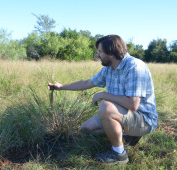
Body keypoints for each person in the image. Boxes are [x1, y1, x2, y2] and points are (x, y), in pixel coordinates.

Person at [48, 35, 158, 164]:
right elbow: (88, 83)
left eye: (100, 52)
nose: (98, 54)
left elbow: (133, 105)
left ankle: (119, 154)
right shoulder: (108, 69)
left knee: (106, 107)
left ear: (111, 53)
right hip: (123, 115)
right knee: (86, 129)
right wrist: (61, 87)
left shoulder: (135, 67)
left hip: (143, 119)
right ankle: (127, 136)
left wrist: (104, 95)